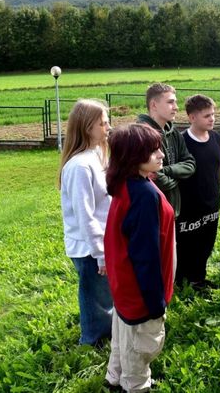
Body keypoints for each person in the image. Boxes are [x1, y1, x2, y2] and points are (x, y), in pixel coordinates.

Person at [104, 124, 175, 392]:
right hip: (140, 293)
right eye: (153, 150)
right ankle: (135, 386)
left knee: (123, 337)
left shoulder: (129, 182)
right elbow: (146, 256)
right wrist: (155, 303)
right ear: (133, 156)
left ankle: (114, 377)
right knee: (140, 346)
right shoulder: (143, 196)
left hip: (124, 285)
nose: (161, 154)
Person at [59, 99, 113, 347]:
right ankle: (91, 340)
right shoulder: (79, 166)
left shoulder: (97, 155)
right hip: (89, 247)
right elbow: (85, 215)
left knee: (103, 294)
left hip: (101, 241)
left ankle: (105, 332)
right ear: (86, 127)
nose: (108, 127)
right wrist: (100, 253)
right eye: (102, 123)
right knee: (94, 297)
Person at [175, 95, 220, 289]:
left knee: (207, 241)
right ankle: (181, 279)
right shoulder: (182, 142)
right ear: (192, 117)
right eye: (206, 116)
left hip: (211, 202)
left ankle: (198, 277)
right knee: (187, 243)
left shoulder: (215, 138)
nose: (212, 119)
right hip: (188, 205)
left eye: (213, 114)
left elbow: (217, 167)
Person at [137, 83, 195, 218]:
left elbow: (190, 164)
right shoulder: (140, 134)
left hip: (171, 211)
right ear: (154, 105)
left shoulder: (174, 133)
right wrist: (177, 178)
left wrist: (165, 171)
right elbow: (156, 180)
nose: (176, 107)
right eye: (170, 102)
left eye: (175, 102)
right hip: (149, 211)